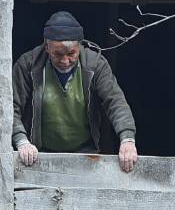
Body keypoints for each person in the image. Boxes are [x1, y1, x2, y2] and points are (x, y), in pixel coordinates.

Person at [11, 11, 139, 173]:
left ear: (80, 46)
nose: (65, 61)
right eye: (58, 54)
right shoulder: (28, 65)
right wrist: (21, 141)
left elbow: (115, 102)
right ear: (47, 47)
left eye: (71, 53)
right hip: (38, 155)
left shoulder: (95, 65)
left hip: (86, 153)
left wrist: (127, 139)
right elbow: (11, 106)